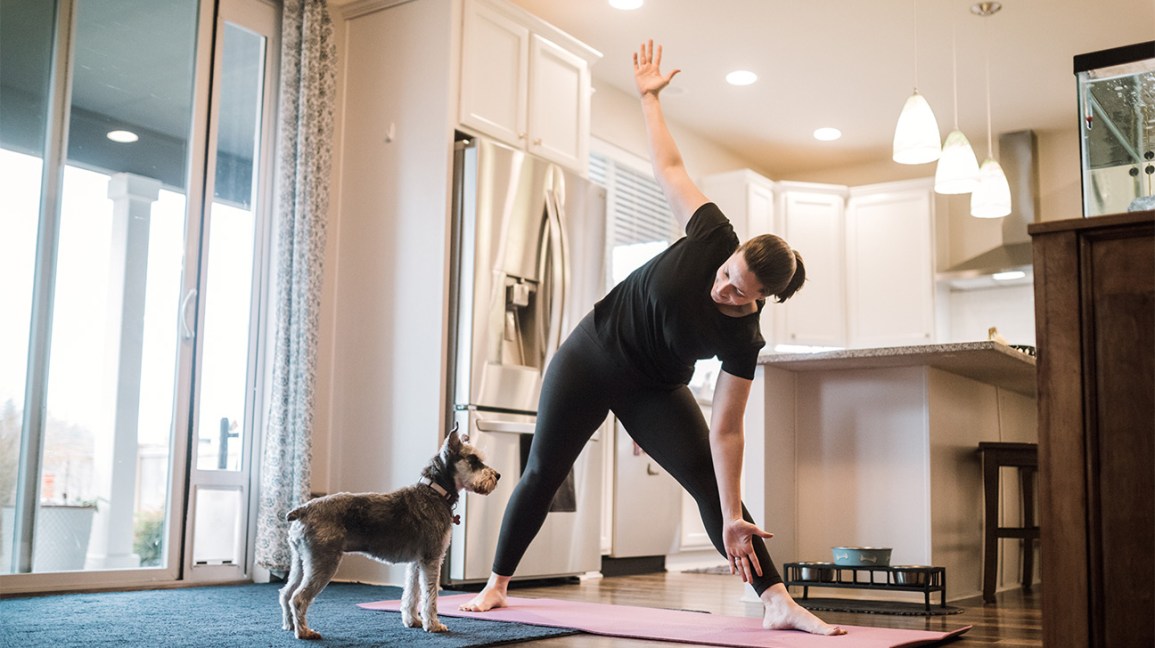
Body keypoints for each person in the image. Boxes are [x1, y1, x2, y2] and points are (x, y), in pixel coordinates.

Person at [460, 40, 846, 637]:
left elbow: (727, 429)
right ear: (732, 252)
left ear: (761, 300)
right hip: (590, 355)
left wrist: (732, 507)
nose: (725, 289)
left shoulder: (746, 342)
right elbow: (669, 168)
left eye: (741, 293)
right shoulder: (713, 231)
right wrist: (648, 97)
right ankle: (497, 584)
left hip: (654, 389)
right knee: (543, 471)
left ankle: (776, 600)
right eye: (727, 274)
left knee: (711, 490)